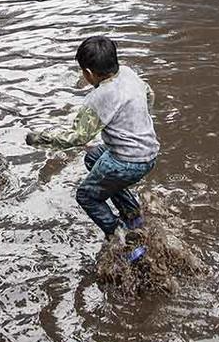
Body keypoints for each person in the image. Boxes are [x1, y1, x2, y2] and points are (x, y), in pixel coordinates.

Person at [28, 36, 160, 263]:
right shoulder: (128, 73)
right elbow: (149, 95)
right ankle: (133, 216)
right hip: (148, 154)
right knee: (93, 157)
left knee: (86, 195)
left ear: (88, 73)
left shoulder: (98, 98)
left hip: (126, 162)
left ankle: (122, 241)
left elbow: (78, 136)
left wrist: (39, 138)